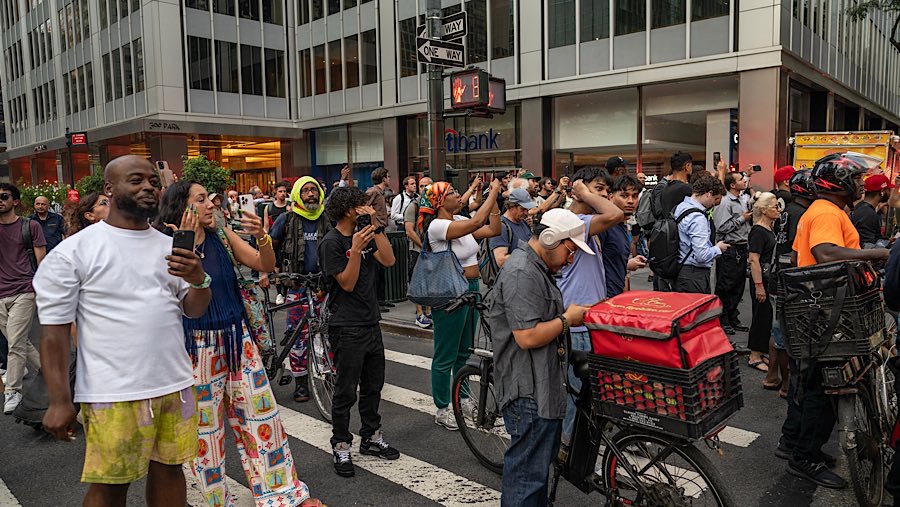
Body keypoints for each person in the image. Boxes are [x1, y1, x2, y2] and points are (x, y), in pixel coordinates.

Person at [35, 155, 211, 507]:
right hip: (113, 392)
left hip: (174, 385)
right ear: (109, 189)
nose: (148, 187)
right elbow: (53, 333)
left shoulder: (168, 247)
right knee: (111, 487)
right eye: (136, 180)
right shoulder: (75, 251)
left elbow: (193, 309)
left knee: (171, 472)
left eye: (152, 181)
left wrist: (198, 279)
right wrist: (59, 400)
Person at [155, 180, 320, 507]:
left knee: (264, 419)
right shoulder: (164, 245)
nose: (210, 205)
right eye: (201, 200)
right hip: (195, 349)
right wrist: (183, 244)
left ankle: (283, 495)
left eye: (210, 199)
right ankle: (215, 502)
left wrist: (262, 235)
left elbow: (265, 264)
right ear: (182, 206)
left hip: (237, 339)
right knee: (206, 436)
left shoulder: (221, 235)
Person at [778, 152, 889, 489]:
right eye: (856, 179)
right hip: (825, 313)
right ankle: (804, 458)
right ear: (838, 182)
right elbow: (825, 254)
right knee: (822, 389)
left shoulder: (823, 211)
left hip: (819, 311)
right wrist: (879, 253)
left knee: (812, 384)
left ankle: (798, 447)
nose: (861, 183)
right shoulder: (826, 212)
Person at [485, 208, 594, 506]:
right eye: (570, 251)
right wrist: (567, 320)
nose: (571, 259)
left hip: (542, 384)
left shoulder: (536, 268)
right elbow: (527, 336)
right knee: (526, 478)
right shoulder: (522, 272)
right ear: (550, 239)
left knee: (534, 474)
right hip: (529, 391)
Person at [319, 186, 398, 478]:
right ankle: (341, 444)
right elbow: (347, 283)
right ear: (350, 209)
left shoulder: (366, 232)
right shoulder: (331, 243)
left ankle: (371, 436)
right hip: (346, 325)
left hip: (370, 321)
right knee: (345, 391)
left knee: (373, 385)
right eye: (362, 206)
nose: (369, 207)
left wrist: (374, 228)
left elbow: (389, 260)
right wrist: (355, 247)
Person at [419, 179, 502, 430]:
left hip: (472, 289)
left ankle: (463, 398)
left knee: (464, 351)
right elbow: (478, 222)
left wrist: (493, 200)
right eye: (453, 192)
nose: (459, 196)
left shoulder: (456, 221)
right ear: (440, 201)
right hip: (449, 292)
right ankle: (443, 407)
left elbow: (493, 229)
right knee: (445, 353)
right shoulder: (437, 226)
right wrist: (493, 192)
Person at [556, 168, 624, 441]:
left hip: (591, 320)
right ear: (580, 188)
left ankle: (580, 443)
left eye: (607, 190)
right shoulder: (571, 222)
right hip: (577, 323)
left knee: (591, 392)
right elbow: (615, 214)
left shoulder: (584, 221)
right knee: (576, 395)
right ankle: (567, 448)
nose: (606, 195)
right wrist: (582, 192)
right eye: (600, 189)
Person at [266, 176, 332, 402]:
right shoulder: (285, 219)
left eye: (314, 190)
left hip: (324, 286)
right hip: (297, 287)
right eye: (306, 191)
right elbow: (269, 245)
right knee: (298, 337)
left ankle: (329, 375)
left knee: (328, 332)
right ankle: (301, 383)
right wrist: (269, 271)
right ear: (297, 195)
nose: (311, 194)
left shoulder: (328, 218)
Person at [768, 170, 816, 398]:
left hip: (779, 276)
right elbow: (796, 255)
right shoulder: (802, 215)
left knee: (778, 331)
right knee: (786, 335)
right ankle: (786, 385)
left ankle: (773, 377)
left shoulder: (788, 210)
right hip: (789, 281)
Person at [0, 183, 46, 414]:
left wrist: (43, 288)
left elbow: (42, 262)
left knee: (15, 343)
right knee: (18, 341)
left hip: (24, 290)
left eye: (4, 196)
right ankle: (50, 373)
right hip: (0, 294)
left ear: (15, 201)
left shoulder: (31, 226)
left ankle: (13, 390)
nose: (0, 200)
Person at [670, 174, 730, 293]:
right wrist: (718, 248)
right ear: (709, 194)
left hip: (680, 268)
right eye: (715, 199)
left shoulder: (681, 207)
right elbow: (701, 255)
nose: (714, 204)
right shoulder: (698, 218)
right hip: (694, 275)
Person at [713, 172, 752, 334]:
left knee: (739, 286)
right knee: (726, 286)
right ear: (732, 185)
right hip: (730, 248)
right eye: (741, 179)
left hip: (742, 247)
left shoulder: (743, 199)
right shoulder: (725, 202)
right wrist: (741, 219)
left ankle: (732, 317)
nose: (745, 181)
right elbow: (721, 227)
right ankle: (722, 319)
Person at [746, 192, 780, 375]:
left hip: (767, 279)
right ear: (764, 210)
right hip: (761, 281)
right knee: (760, 317)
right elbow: (754, 260)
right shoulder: (758, 231)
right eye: (775, 206)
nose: (778, 209)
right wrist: (759, 285)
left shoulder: (768, 229)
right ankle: (754, 355)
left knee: (766, 317)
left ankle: (760, 351)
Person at [600, 174, 647, 297]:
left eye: (635, 196)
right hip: (603, 296)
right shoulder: (603, 226)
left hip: (617, 294)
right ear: (610, 197)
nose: (631, 201)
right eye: (624, 196)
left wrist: (627, 263)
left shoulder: (621, 225)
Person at [403, 176, 433, 328]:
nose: (424, 189)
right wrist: (423, 246)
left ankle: (427, 311)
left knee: (429, 282)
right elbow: (409, 231)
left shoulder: (435, 205)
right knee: (418, 283)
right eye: (421, 186)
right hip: (417, 250)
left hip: (431, 250)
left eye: (427, 186)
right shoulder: (413, 206)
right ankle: (419, 314)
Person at [366, 167, 392, 311]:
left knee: (381, 269)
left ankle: (381, 299)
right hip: (376, 232)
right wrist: (372, 223)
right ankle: (375, 301)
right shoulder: (373, 192)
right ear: (383, 178)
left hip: (382, 231)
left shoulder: (380, 193)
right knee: (376, 269)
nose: (389, 179)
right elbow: (362, 207)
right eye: (388, 177)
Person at [490, 188, 536, 268]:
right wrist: (529, 255)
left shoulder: (523, 222)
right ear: (511, 207)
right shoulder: (502, 227)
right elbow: (501, 260)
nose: (526, 213)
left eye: (527, 209)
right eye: (523, 209)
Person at [851, 173, 895, 248]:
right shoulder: (868, 214)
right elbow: (867, 246)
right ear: (882, 191)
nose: (890, 193)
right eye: (889, 189)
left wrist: (887, 241)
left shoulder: (863, 208)